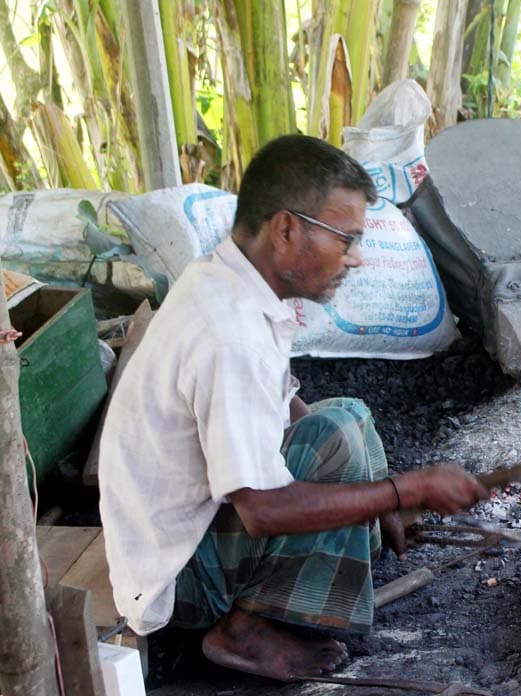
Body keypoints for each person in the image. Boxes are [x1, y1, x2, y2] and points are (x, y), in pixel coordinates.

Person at [99, 134, 487, 682]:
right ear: (286, 229)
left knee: (346, 416)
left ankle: (362, 539)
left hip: (181, 534)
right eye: (346, 239)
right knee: (335, 440)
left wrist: (379, 502)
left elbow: (282, 405)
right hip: (177, 578)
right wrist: (409, 489)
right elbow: (262, 510)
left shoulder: (230, 284)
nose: (356, 257)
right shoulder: (229, 334)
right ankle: (244, 629)